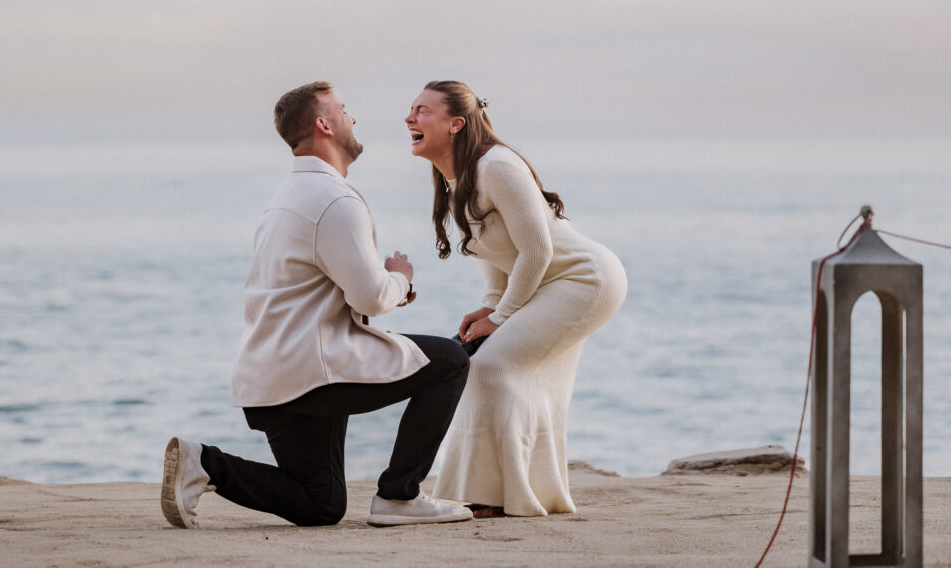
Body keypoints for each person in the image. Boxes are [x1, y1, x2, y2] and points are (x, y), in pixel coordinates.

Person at [161, 81, 473, 529]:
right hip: (309, 375)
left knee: (320, 503)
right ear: (324, 125)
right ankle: (399, 497)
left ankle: (204, 464)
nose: (352, 117)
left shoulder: (285, 198)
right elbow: (369, 297)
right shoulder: (334, 199)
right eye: (343, 110)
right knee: (450, 359)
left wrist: (384, 286)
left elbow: (330, 289)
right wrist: (400, 277)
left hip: (270, 380)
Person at [406, 80, 627, 517]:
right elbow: (493, 247)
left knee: (491, 366)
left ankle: (499, 496)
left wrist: (503, 314)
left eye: (422, 111)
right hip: (542, 282)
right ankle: (510, 493)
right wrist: (491, 304)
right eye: (411, 111)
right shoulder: (456, 177)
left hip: (584, 280)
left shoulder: (497, 166)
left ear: (456, 124)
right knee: (483, 365)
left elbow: (538, 249)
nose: (410, 119)